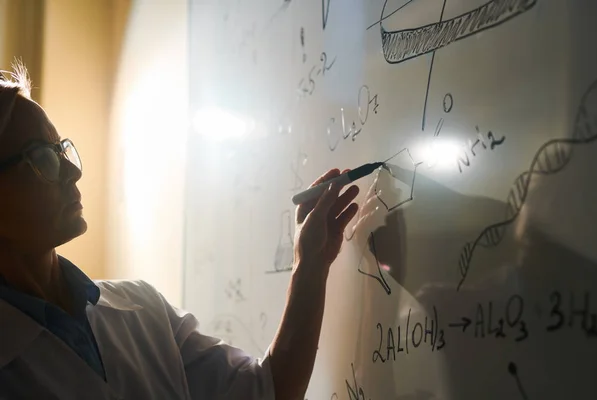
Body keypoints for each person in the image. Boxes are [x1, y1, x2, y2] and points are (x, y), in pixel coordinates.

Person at [0, 64, 360, 399]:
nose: (73, 172)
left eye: (62, 149)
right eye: (42, 157)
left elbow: (266, 391)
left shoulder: (143, 308)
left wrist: (310, 264)